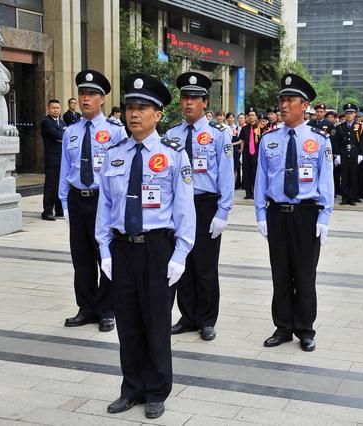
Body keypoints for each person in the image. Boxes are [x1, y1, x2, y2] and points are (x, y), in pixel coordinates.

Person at [95, 72, 195, 419]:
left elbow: (184, 209)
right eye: (129, 107)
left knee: (155, 322)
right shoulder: (115, 153)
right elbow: (105, 207)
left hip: (157, 248)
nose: (134, 114)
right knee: (128, 323)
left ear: (157, 114)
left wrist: (180, 254)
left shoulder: (172, 155)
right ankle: (131, 387)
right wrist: (104, 250)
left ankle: (156, 390)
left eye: (142, 108)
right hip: (123, 248)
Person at [254, 73, 333, 352]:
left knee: (304, 274)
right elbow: (261, 180)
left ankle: (305, 328)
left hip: (306, 214)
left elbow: (326, 181)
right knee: (280, 273)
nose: (284, 105)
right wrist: (261, 215)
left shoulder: (319, 140)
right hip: (277, 213)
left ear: (305, 105)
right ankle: (283, 326)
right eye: (282, 100)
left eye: (290, 100)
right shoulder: (269, 139)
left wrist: (324, 217)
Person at [165, 72, 234, 341]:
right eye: (184, 98)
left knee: (205, 266)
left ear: (205, 102)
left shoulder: (219, 134)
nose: (188, 103)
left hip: (206, 204)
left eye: (194, 98)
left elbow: (227, 175)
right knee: (183, 260)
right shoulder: (172, 134)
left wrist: (223, 211)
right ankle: (188, 315)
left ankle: (206, 319)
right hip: (180, 206)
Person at [58, 70, 127, 332]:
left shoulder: (115, 131)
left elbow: (122, 171)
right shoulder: (71, 132)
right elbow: (65, 169)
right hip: (78, 199)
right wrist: (64, 203)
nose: (85, 99)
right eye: (82, 94)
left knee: (105, 254)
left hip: (103, 200)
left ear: (102, 100)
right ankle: (86, 307)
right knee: (82, 257)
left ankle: (107, 309)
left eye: (91, 95)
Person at [40, 99, 65, 221]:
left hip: (62, 159)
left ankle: (59, 210)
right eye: (53, 108)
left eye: (57, 108)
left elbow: (66, 137)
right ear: (48, 109)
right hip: (52, 159)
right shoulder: (46, 122)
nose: (56, 110)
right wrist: (62, 136)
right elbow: (59, 136)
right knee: (51, 186)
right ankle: (47, 211)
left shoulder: (62, 122)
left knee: (61, 185)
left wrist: (62, 137)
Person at [334, 103, 363, 205]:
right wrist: (337, 155)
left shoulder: (360, 127)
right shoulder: (340, 127)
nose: (349, 115)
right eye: (347, 113)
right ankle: (345, 197)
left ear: (355, 114)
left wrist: (361, 154)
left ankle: (352, 198)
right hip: (344, 154)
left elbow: (362, 141)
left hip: (355, 154)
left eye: (351, 113)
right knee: (345, 177)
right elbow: (336, 142)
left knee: (354, 177)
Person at [238, 107, 261, 199]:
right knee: (246, 172)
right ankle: (248, 193)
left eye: (253, 115)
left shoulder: (261, 128)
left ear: (256, 117)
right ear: (247, 117)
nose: (251, 117)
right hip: (247, 153)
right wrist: (241, 153)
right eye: (249, 115)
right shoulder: (244, 128)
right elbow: (242, 141)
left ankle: (256, 193)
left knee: (255, 172)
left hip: (256, 152)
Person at [233, 113, 245, 189]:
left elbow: (243, 140)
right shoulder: (236, 129)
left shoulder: (246, 127)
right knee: (237, 167)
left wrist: (242, 149)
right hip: (237, 150)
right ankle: (237, 184)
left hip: (245, 149)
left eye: (242, 118)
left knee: (244, 167)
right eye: (239, 118)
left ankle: (244, 184)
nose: (240, 120)